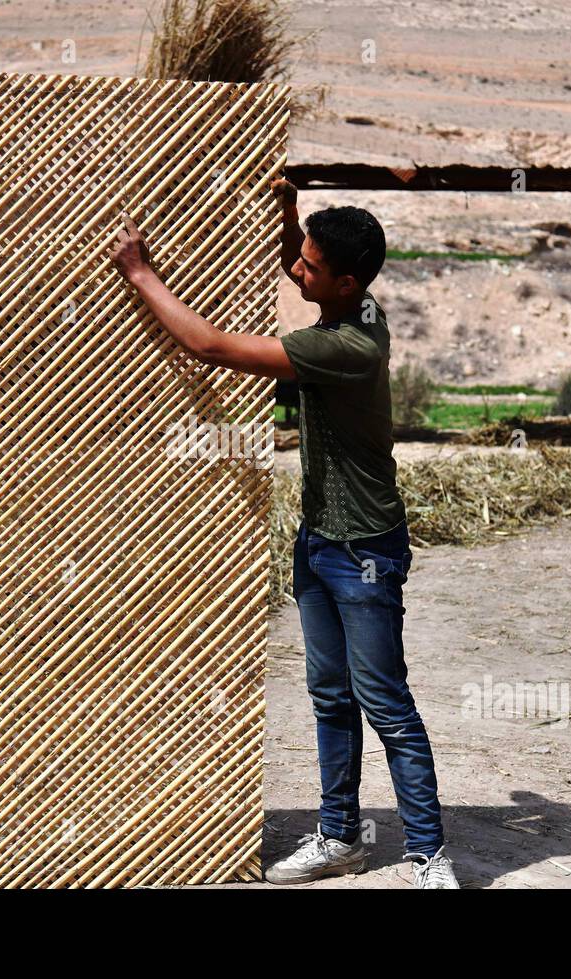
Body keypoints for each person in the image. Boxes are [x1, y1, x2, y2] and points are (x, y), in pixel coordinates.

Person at [109, 179, 458, 889]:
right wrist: (290, 219)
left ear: (345, 280)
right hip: (319, 541)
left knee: (385, 701)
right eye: (298, 257)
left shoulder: (348, 344)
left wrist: (141, 274)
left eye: (308, 263)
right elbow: (302, 267)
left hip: (363, 551)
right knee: (331, 695)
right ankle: (340, 837)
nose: (295, 270)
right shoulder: (353, 302)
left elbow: (209, 347)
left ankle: (428, 855)